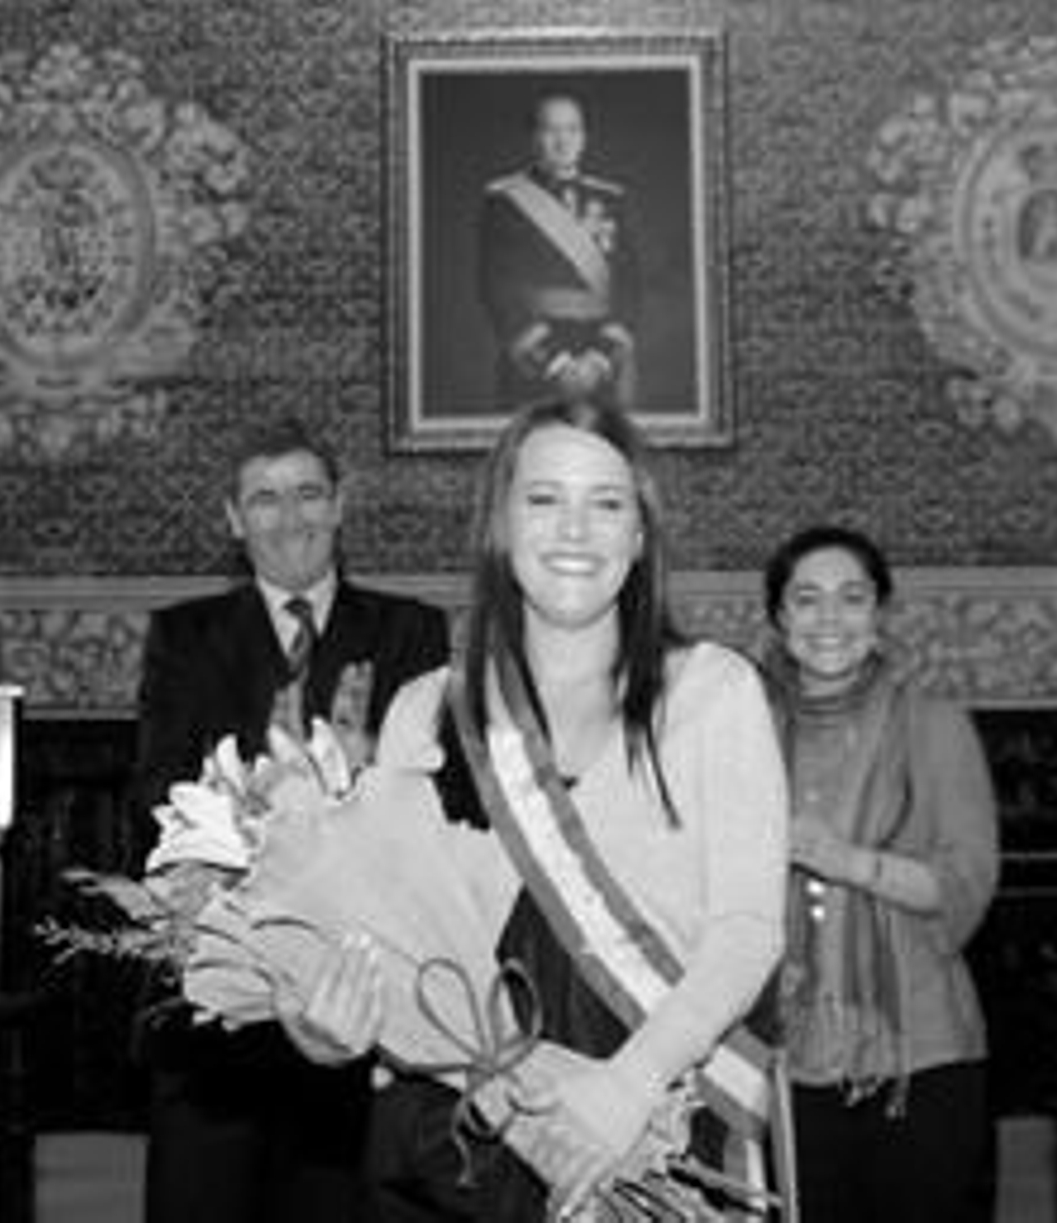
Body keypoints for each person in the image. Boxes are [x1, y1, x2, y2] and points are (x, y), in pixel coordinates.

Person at [294, 399, 789, 1221]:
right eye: (544, 498)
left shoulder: (714, 690)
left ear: (638, 535)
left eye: (606, 503)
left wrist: (624, 1089)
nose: (574, 530)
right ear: (501, 522)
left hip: (652, 1122)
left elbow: (748, 930)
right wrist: (325, 1028)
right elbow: (393, 947)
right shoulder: (427, 707)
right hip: (457, 1140)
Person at [133, 417, 453, 1223]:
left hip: (360, 1001)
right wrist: (266, 806)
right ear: (233, 519)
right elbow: (154, 791)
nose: (290, 517)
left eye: (309, 493)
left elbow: (439, 806)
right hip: (222, 1002)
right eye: (264, 499)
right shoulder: (184, 635)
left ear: (340, 505)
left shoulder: (412, 631)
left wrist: (361, 775)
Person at [755, 524, 999, 1223]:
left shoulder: (934, 723)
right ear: (779, 616)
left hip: (920, 1053)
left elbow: (965, 882)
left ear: (880, 612)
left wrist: (847, 861)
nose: (829, 619)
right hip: (784, 1053)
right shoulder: (745, 727)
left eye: (851, 597)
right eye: (807, 599)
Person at [478, 94, 642, 412]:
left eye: (572, 130)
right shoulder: (505, 200)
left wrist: (600, 359)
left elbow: (630, 283)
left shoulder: (612, 198)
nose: (562, 140)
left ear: (583, 138)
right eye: (551, 130)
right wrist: (555, 364)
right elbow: (496, 287)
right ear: (533, 138)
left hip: (601, 354)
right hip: (536, 359)